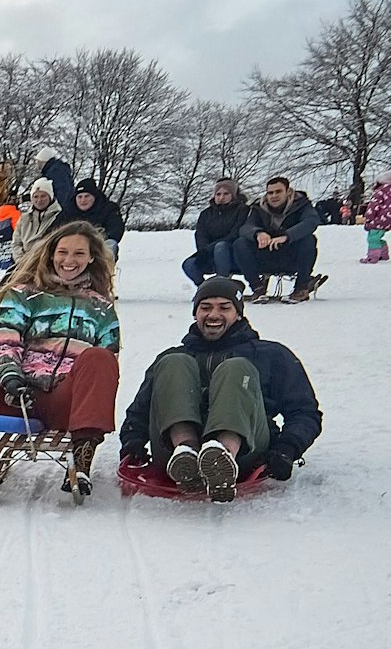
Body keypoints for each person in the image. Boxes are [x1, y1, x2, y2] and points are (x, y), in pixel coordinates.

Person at [0, 224, 121, 492]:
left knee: (100, 358)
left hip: (66, 402)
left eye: (79, 253)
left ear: (91, 258)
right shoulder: (24, 294)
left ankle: (81, 463)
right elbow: (4, 341)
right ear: (50, 254)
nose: (69, 260)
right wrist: (12, 379)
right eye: (63, 252)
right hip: (17, 395)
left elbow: (105, 368)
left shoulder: (101, 308)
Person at [119, 277, 322, 502]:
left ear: (239, 314)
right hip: (173, 457)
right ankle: (186, 449)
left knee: (237, 368)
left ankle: (223, 455)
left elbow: (304, 412)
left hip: (245, 454)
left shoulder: (270, 355)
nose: (214, 315)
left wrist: (287, 448)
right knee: (174, 361)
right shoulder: (171, 358)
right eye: (205, 308)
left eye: (224, 308)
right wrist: (132, 443)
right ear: (195, 314)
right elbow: (140, 411)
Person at [241, 175, 322, 303]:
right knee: (240, 244)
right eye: (270, 193)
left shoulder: (302, 205)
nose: (273, 196)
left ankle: (301, 288)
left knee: (309, 240)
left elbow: (311, 221)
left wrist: (287, 236)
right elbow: (246, 227)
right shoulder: (258, 207)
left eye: (278, 191)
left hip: (291, 256)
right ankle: (257, 288)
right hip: (265, 255)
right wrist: (258, 233)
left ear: (288, 192)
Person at [180, 178, 255, 286]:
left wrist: (208, 249)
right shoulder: (206, 214)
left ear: (233, 195)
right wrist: (203, 251)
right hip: (209, 253)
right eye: (218, 194)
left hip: (233, 253)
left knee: (221, 247)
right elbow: (201, 234)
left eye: (226, 194)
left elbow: (235, 234)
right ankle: (204, 287)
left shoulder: (242, 210)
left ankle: (221, 284)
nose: (221, 197)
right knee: (188, 264)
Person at [70, 178, 126, 258]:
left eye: (87, 196)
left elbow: (115, 229)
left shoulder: (108, 208)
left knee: (111, 243)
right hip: (71, 246)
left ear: (94, 197)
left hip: (98, 246)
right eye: (80, 197)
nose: (83, 200)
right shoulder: (68, 210)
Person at [363, 171, 391, 264]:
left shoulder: (380, 191)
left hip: (378, 219)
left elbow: (373, 205)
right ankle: (383, 254)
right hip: (388, 220)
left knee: (373, 238)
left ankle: (372, 257)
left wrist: (368, 217)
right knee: (378, 237)